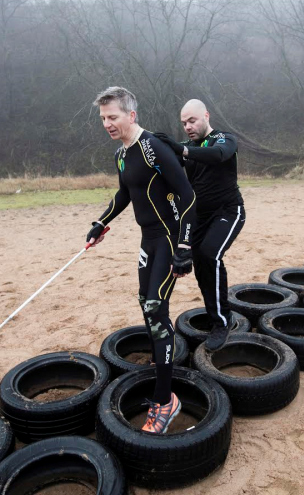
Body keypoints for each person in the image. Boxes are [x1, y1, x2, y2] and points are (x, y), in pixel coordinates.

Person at [86, 86, 196, 435]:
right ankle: (160, 358)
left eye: (113, 116)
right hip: (149, 239)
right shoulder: (122, 155)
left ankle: (166, 401)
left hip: (168, 238)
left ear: (131, 115)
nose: (107, 123)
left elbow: (187, 194)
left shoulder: (153, 148)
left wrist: (185, 245)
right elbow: (124, 194)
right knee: (145, 303)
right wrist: (101, 222)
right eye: (103, 118)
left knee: (155, 309)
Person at [155, 99, 244, 352]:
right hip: (199, 217)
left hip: (229, 211)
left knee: (209, 255)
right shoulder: (187, 147)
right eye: (183, 123)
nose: (188, 127)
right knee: (198, 266)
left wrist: (180, 150)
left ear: (206, 115)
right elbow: (160, 154)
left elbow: (218, 155)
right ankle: (213, 313)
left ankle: (222, 323)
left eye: (192, 121)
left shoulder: (224, 139)